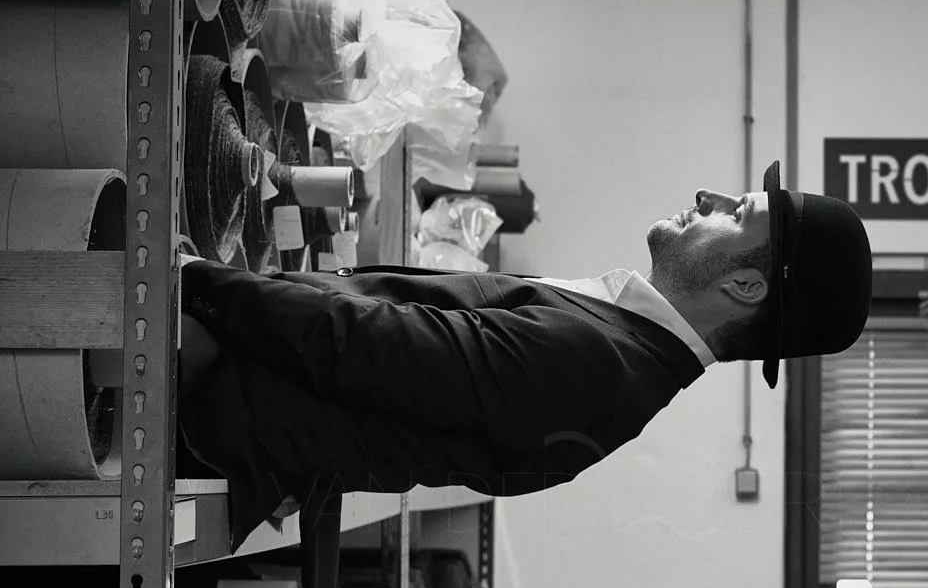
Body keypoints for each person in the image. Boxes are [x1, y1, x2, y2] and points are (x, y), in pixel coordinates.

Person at [177, 159, 873, 551]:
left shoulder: (595, 366)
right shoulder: (616, 344)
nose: (706, 194)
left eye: (735, 212)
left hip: (208, 385)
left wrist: (197, 282)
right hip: (229, 368)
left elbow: (362, 347)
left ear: (745, 284)